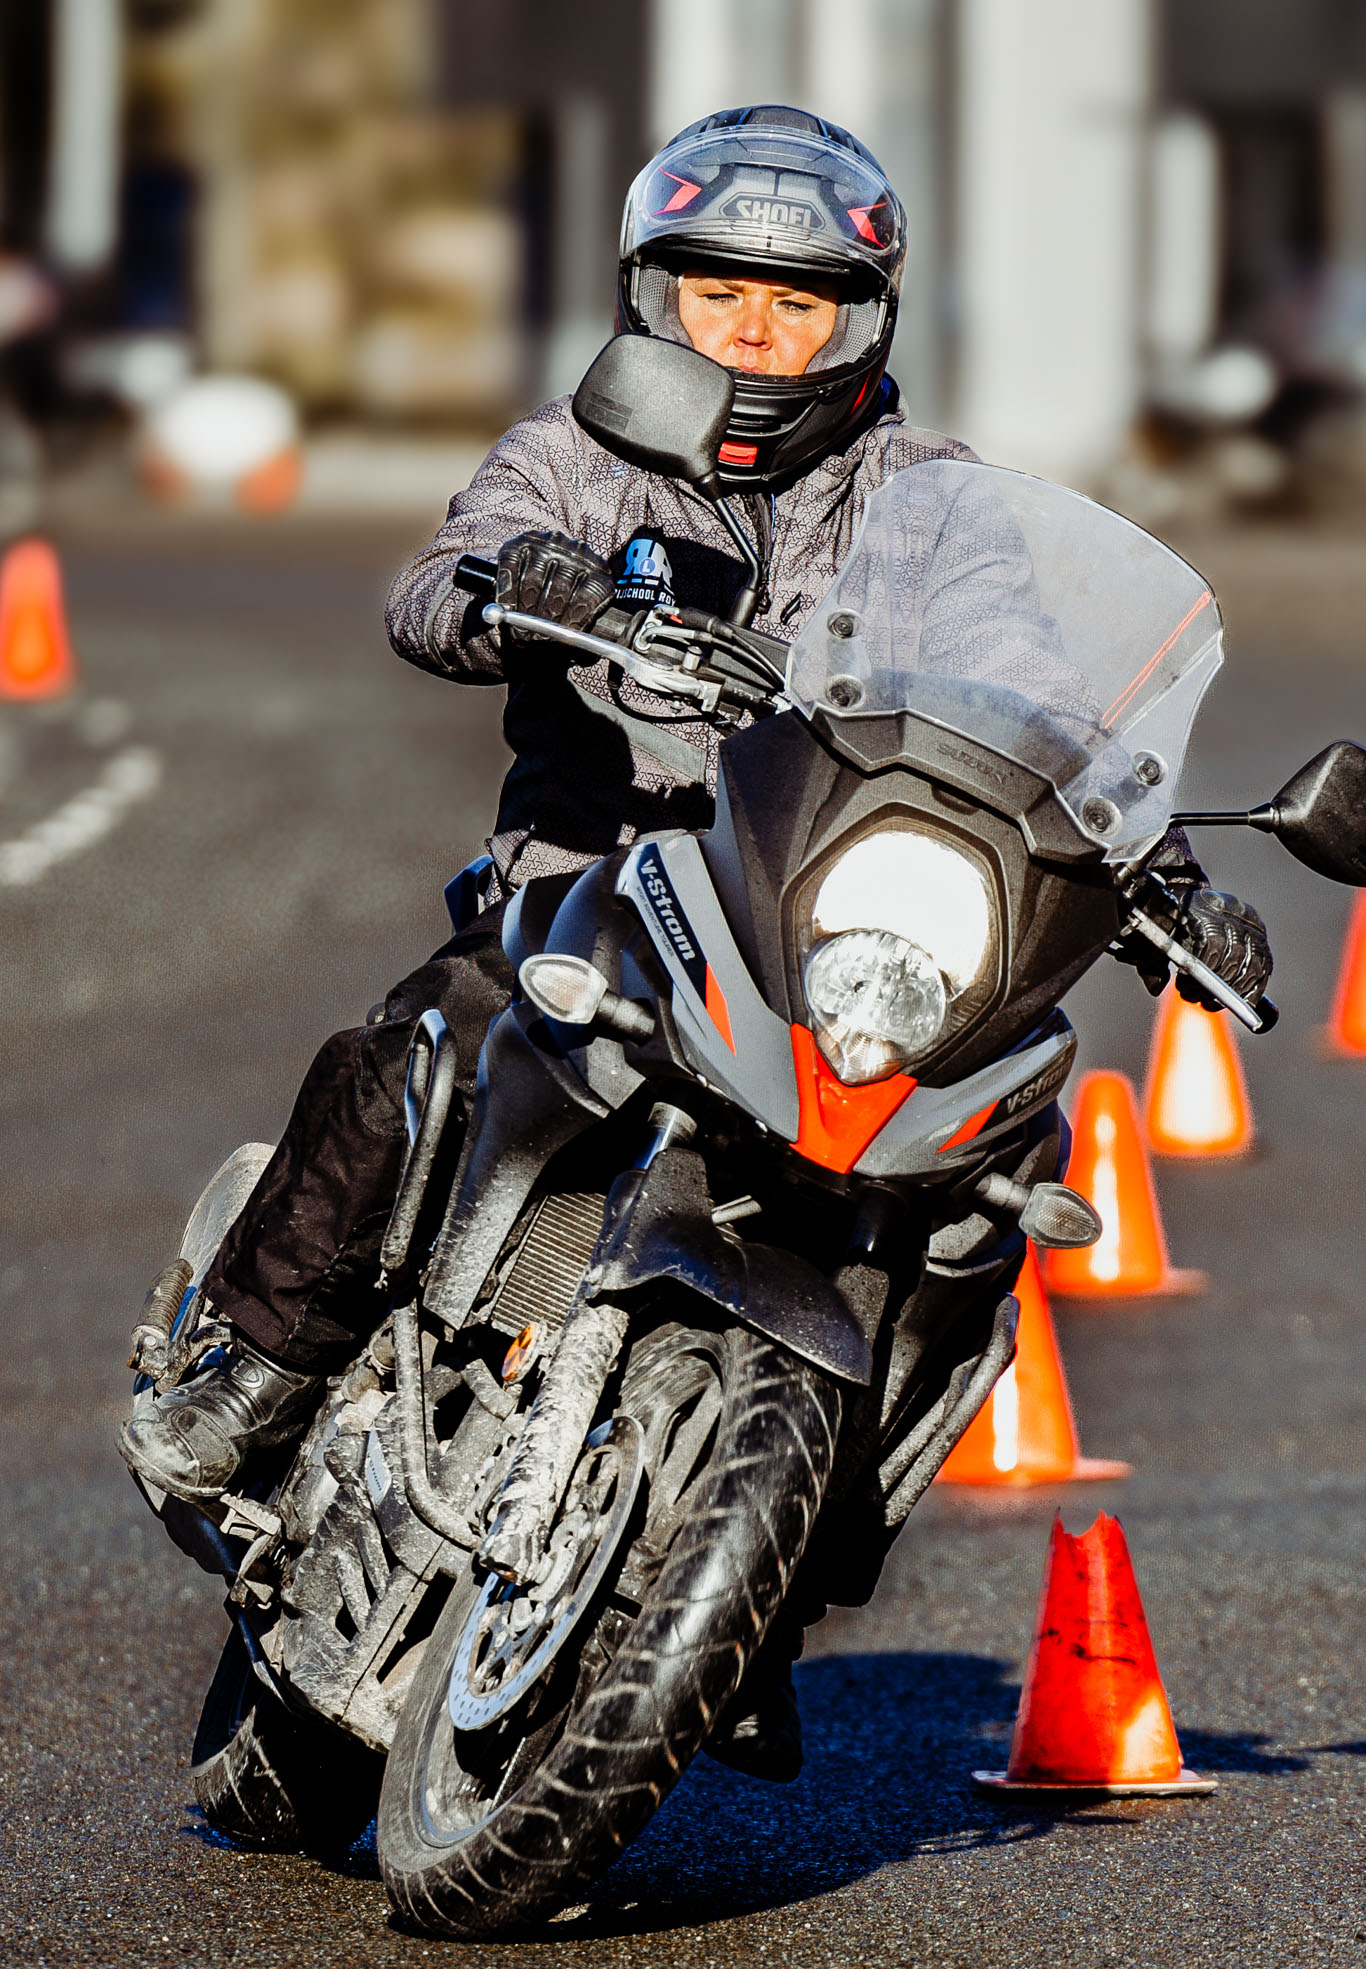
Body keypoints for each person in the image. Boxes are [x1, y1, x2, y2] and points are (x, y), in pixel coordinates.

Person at [119, 105, 1272, 1776]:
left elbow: (1031, 698)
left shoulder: (933, 503)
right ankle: (253, 1368)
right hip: (593, 878)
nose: (754, 328)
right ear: (655, 291)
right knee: (422, 1043)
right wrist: (535, 585)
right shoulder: (580, 451)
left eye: (795, 302)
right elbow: (437, 584)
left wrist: (1151, 855)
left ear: (856, 325)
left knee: (980, 1189)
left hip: (820, 921)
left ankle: (774, 1574)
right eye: (720, 288)